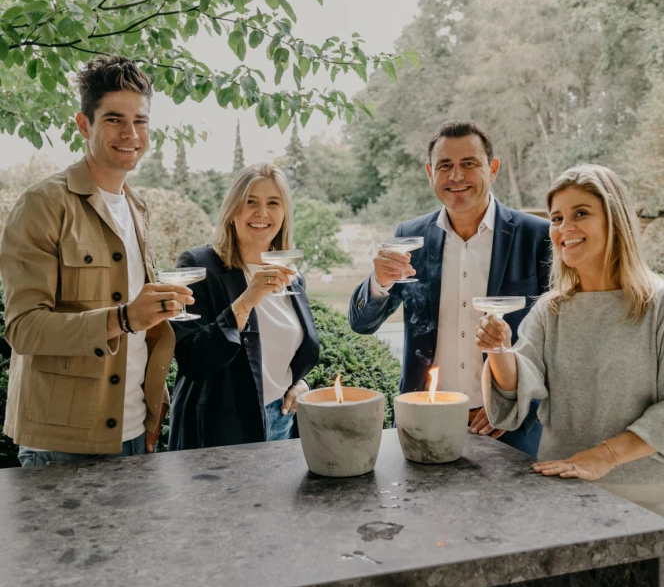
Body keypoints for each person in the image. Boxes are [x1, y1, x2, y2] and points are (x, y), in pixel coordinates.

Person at [0, 56, 192, 466]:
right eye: (114, 119)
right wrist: (123, 318)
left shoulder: (137, 208)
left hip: (136, 432)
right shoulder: (43, 205)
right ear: (84, 124)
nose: (130, 133)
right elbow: (22, 329)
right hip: (62, 445)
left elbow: (140, 326)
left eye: (140, 121)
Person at [348, 120, 550, 456]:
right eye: (445, 166)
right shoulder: (410, 236)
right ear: (430, 173)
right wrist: (379, 282)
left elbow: (554, 344)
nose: (456, 176)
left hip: (510, 429)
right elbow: (362, 324)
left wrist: (513, 403)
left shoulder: (537, 236)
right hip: (424, 420)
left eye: (469, 164)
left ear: (493, 168)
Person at [476, 164, 664, 516]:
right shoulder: (551, 311)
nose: (565, 228)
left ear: (615, 219)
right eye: (557, 218)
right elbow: (520, 383)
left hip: (646, 498)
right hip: (560, 491)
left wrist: (604, 456)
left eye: (581, 213)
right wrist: (498, 350)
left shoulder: (659, 306)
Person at [168, 163, 319, 451]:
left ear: (284, 214)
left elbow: (289, 353)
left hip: (282, 423)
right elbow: (193, 359)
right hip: (219, 432)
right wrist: (248, 300)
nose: (262, 213)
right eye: (251, 202)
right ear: (232, 211)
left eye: (273, 203)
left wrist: (299, 384)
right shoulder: (199, 265)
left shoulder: (291, 274)